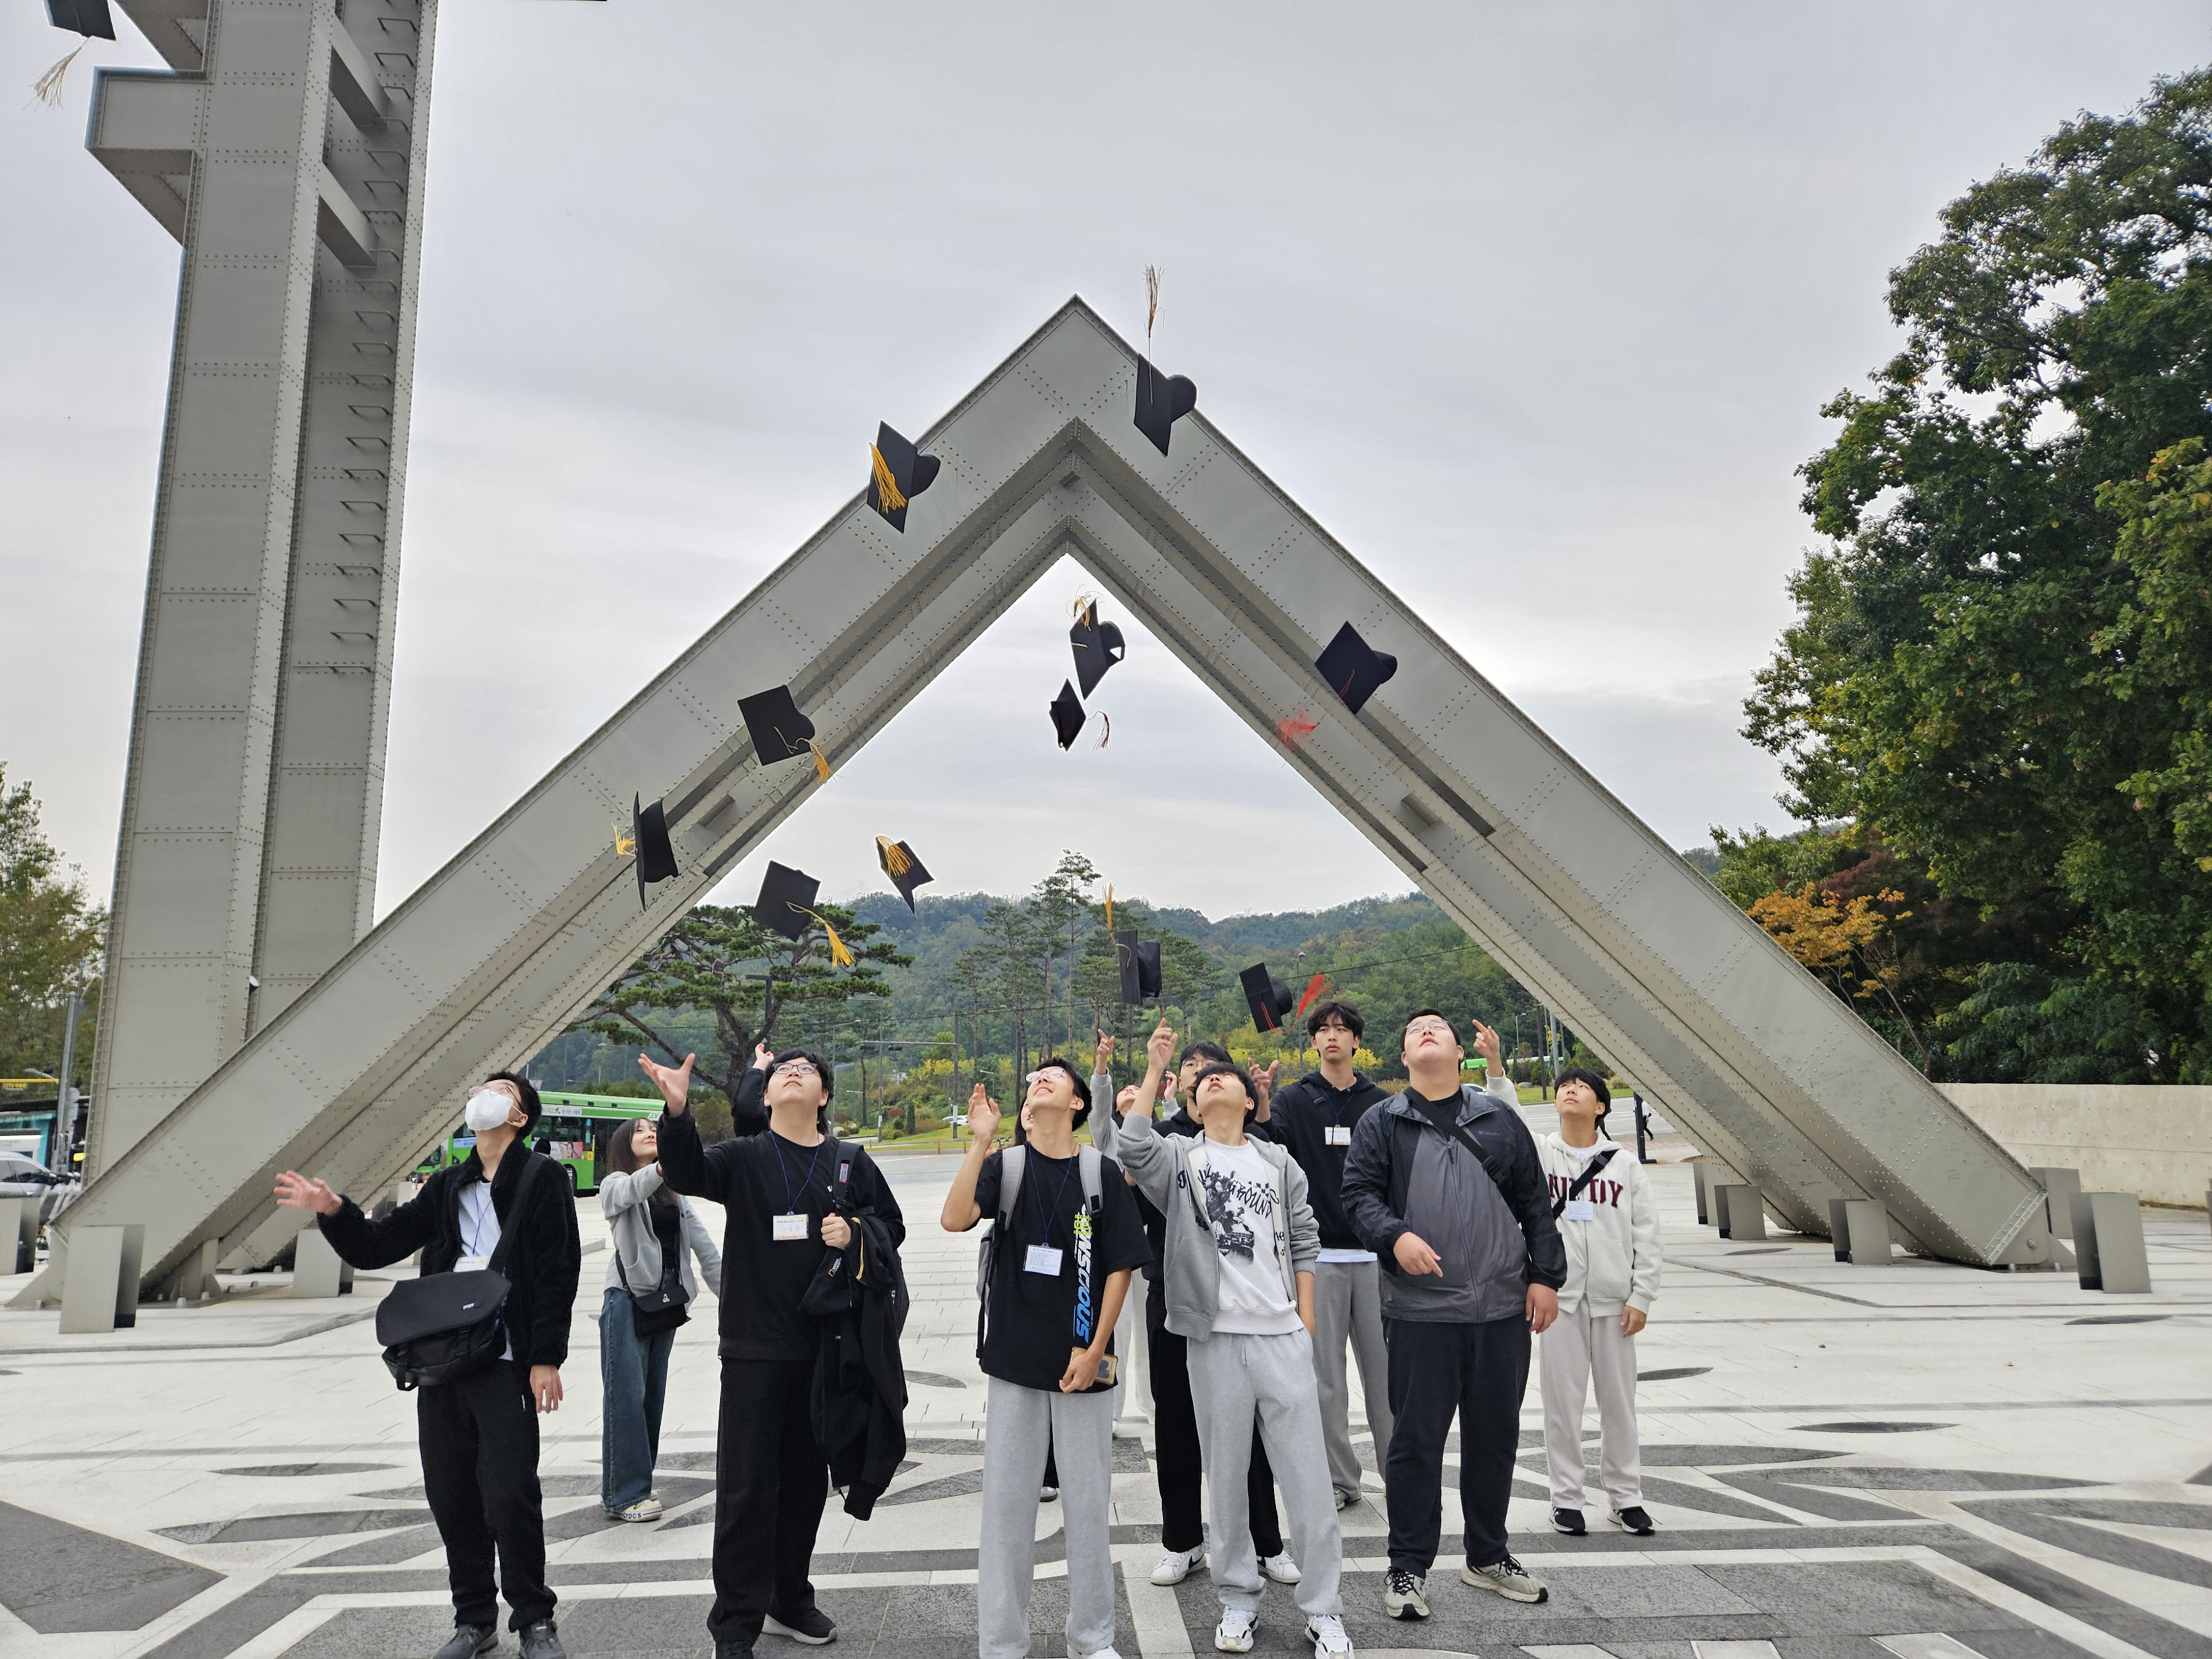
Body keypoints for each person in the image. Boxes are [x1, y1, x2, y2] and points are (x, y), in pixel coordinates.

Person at [275, 1072, 581, 1659]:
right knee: (451, 1492)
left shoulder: (543, 1178)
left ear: (520, 1118)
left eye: (497, 1091)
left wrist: (546, 1358)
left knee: (510, 1492)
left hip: (505, 1355)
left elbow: (556, 1270)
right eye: (475, 1091)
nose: (479, 1098)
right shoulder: (446, 1186)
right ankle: (473, 1619)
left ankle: (535, 1619)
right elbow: (377, 1245)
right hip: (444, 1355)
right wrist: (334, 1210)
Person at [644, 1047, 904, 1659]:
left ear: (823, 1097)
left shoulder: (849, 1161)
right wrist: (676, 1111)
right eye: (783, 1069)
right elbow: (684, 1174)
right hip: (755, 1350)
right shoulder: (744, 1157)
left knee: (804, 1485)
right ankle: (735, 1625)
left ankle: (788, 1598)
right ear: (764, 1097)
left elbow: (891, 1225)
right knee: (746, 1490)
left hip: (825, 1349)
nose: (793, 1072)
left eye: (807, 1070)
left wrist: (858, 1232)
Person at [1115, 1020, 1353, 1659]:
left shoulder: (1276, 1161)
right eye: (1203, 1081)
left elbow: (1305, 1239)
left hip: (1281, 1338)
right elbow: (1132, 1144)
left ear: (1250, 1100)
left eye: (1228, 1076)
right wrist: (1152, 1066)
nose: (1214, 1079)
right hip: (1214, 1341)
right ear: (1192, 1106)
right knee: (1224, 1477)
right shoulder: (1180, 1160)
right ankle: (1238, 1600)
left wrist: (1303, 1322)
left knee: (1306, 1478)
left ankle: (1324, 1609)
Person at [1340, 1012, 1567, 1622]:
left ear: (1459, 1050)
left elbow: (1534, 1203)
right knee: (1415, 1443)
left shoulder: (1497, 1119)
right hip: (1420, 1311)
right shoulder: (1381, 1122)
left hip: (1500, 1306)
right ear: (1404, 1054)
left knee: (1495, 1436)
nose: (1426, 1032)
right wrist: (1395, 1237)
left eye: (1437, 1027)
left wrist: (1546, 1277)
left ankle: (1488, 1555)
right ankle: (1408, 1567)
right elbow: (1357, 1197)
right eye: (1414, 1029)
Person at [942, 1060, 1149, 1659]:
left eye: (1053, 1078)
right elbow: (955, 1219)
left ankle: (1092, 1639)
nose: (1039, 1081)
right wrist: (980, 1140)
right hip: (1014, 1363)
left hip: (1083, 1364)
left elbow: (1118, 1266)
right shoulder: (1003, 1167)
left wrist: (1095, 1349)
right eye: (1033, 1079)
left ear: (1079, 1104)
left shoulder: (1098, 1172)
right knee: (1006, 1514)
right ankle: (1003, 1644)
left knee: (1088, 1508)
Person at [1091, 1035, 1296, 1590]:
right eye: (1190, 1067)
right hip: (1175, 1296)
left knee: (1249, 1426)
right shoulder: (1164, 1141)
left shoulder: (1250, 1144)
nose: (1201, 1073)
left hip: (1243, 1305)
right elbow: (1122, 1163)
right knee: (1176, 1421)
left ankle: (1265, 1541)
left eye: (1212, 1068)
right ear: (1178, 1083)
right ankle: (1182, 1541)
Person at [1260, 1000, 1394, 1510]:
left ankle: (1398, 1474)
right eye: (1324, 1030)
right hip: (1318, 1260)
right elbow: (1271, 1154)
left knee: (1386, 1380)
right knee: (1324, 1382)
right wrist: (1265, 1101)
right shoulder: (1295, 1100)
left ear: (1357, 1041)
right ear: (1313, 1041)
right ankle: (1341, 1480)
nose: (1333, 1036)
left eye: (1342, 1029)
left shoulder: (1381, 1104)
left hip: (1375, 1259)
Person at [1536, 1067, 1661, 1538]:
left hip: (1615, 1302)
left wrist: (1642, 1295)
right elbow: (1502, 1115)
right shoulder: (1542, 1154)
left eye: (1583, 1087)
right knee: (1561, 1406)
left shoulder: (1623, 1164)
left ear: (1602, 1106)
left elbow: (1647, 1233)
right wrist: (1494, 1068)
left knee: (1619, 1405)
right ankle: (1566, 1499)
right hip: (1560, 1301)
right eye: (1564, 1086)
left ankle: (1626, 1498)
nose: (1571, 1090)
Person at [598, 1114, 724, 1521]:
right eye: (639, 1130)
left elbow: (704, 1248)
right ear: (622, 1143)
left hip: (667, 1300)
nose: (650, 1132)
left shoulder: (674, 1194)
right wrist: (663, 1165)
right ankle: (625, 1495)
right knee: (626, 1401)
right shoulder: (615, 1184)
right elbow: (634, 1189)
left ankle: (627, 1488)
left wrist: (734, 1297)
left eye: (654, 1128)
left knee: (650, 1398)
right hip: (627, 1299)